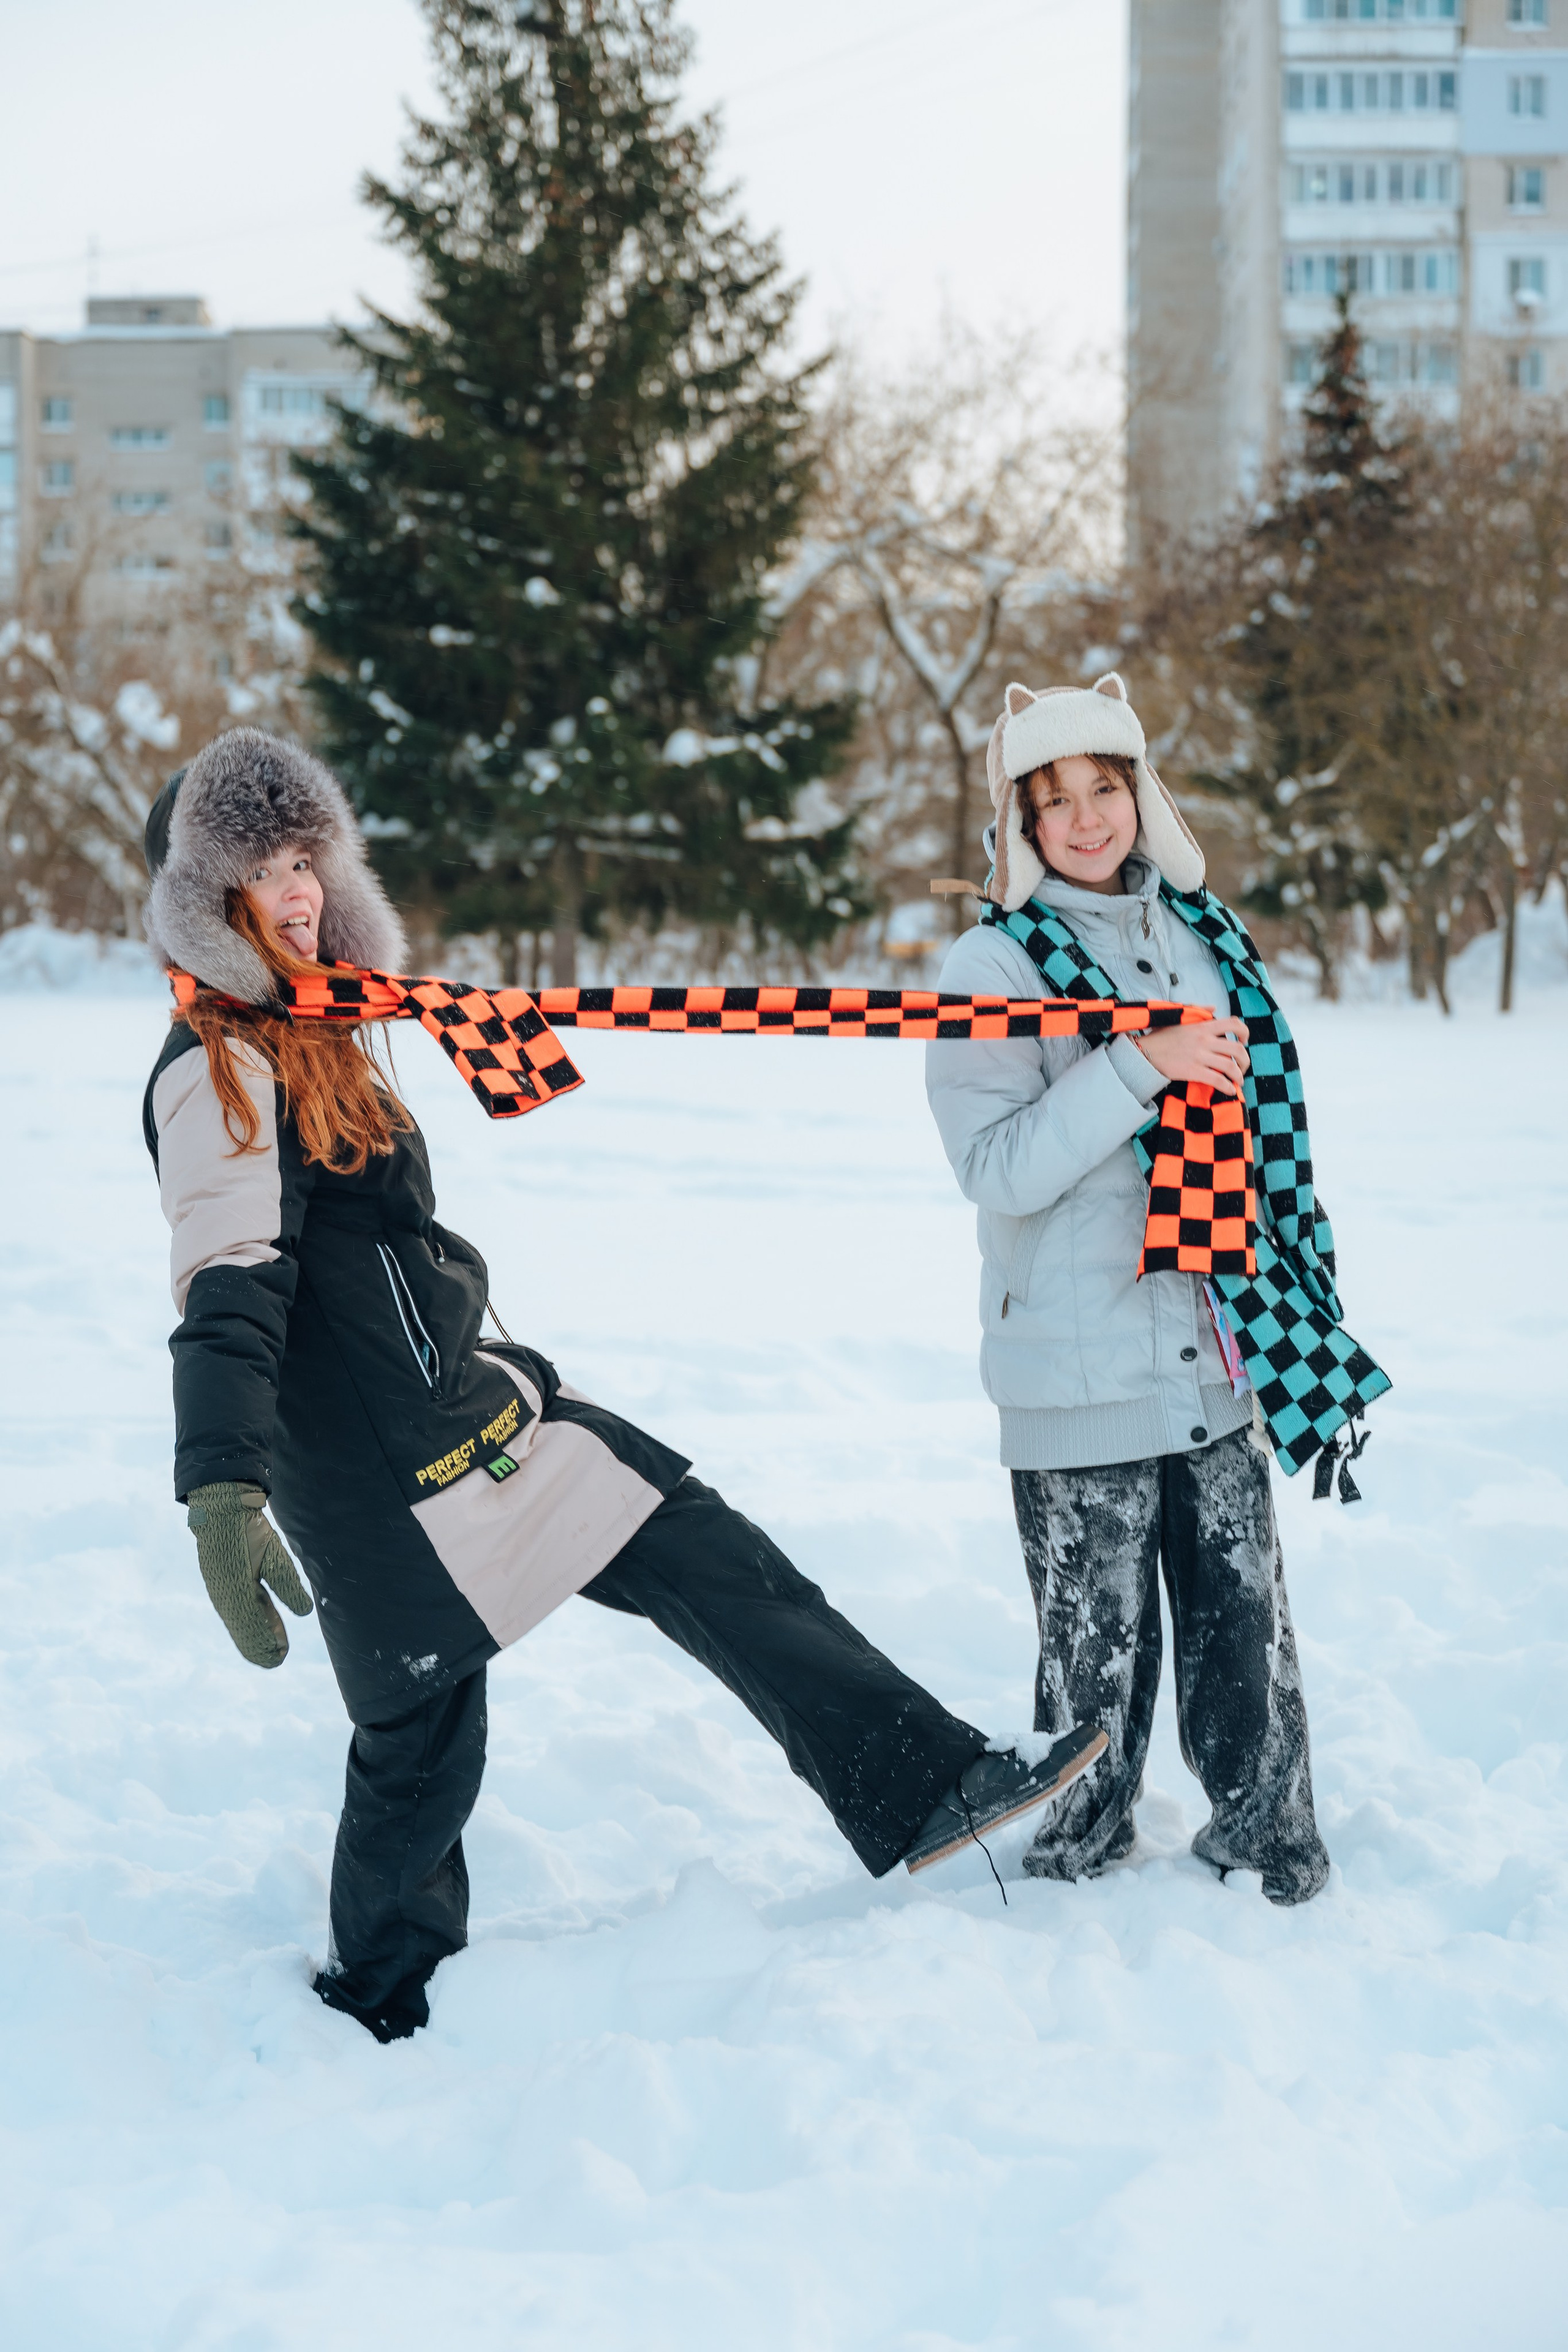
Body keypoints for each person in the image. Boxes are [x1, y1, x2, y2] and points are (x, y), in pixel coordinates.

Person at [140, 728, 1106, 2042]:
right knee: (421, 1755)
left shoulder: (323, 1030)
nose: (299, 889)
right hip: (384, 1483)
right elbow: (229, 1279)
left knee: (705, 1550)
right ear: (203, 901)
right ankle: (375, 2009)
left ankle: (924, 1783)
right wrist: (221, 1486)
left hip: (472, 1419)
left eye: (308, 856)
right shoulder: (220, 1066)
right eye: (262, 867)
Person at [925, 674, 1335, 1907]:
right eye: (1054, 800)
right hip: (1073, 1359)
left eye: (1105, 787)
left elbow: (1263, 1142)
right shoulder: (987, 964)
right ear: (1018, 822)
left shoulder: (1205, 940)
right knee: (1089, 1664)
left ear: (1140, 794)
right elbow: (993, 1170)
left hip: (1215, 1347)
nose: (1087, 818)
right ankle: (1074, 1871)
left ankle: (1267, 1839)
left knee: (1245, 1637)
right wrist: (1133, 1067)